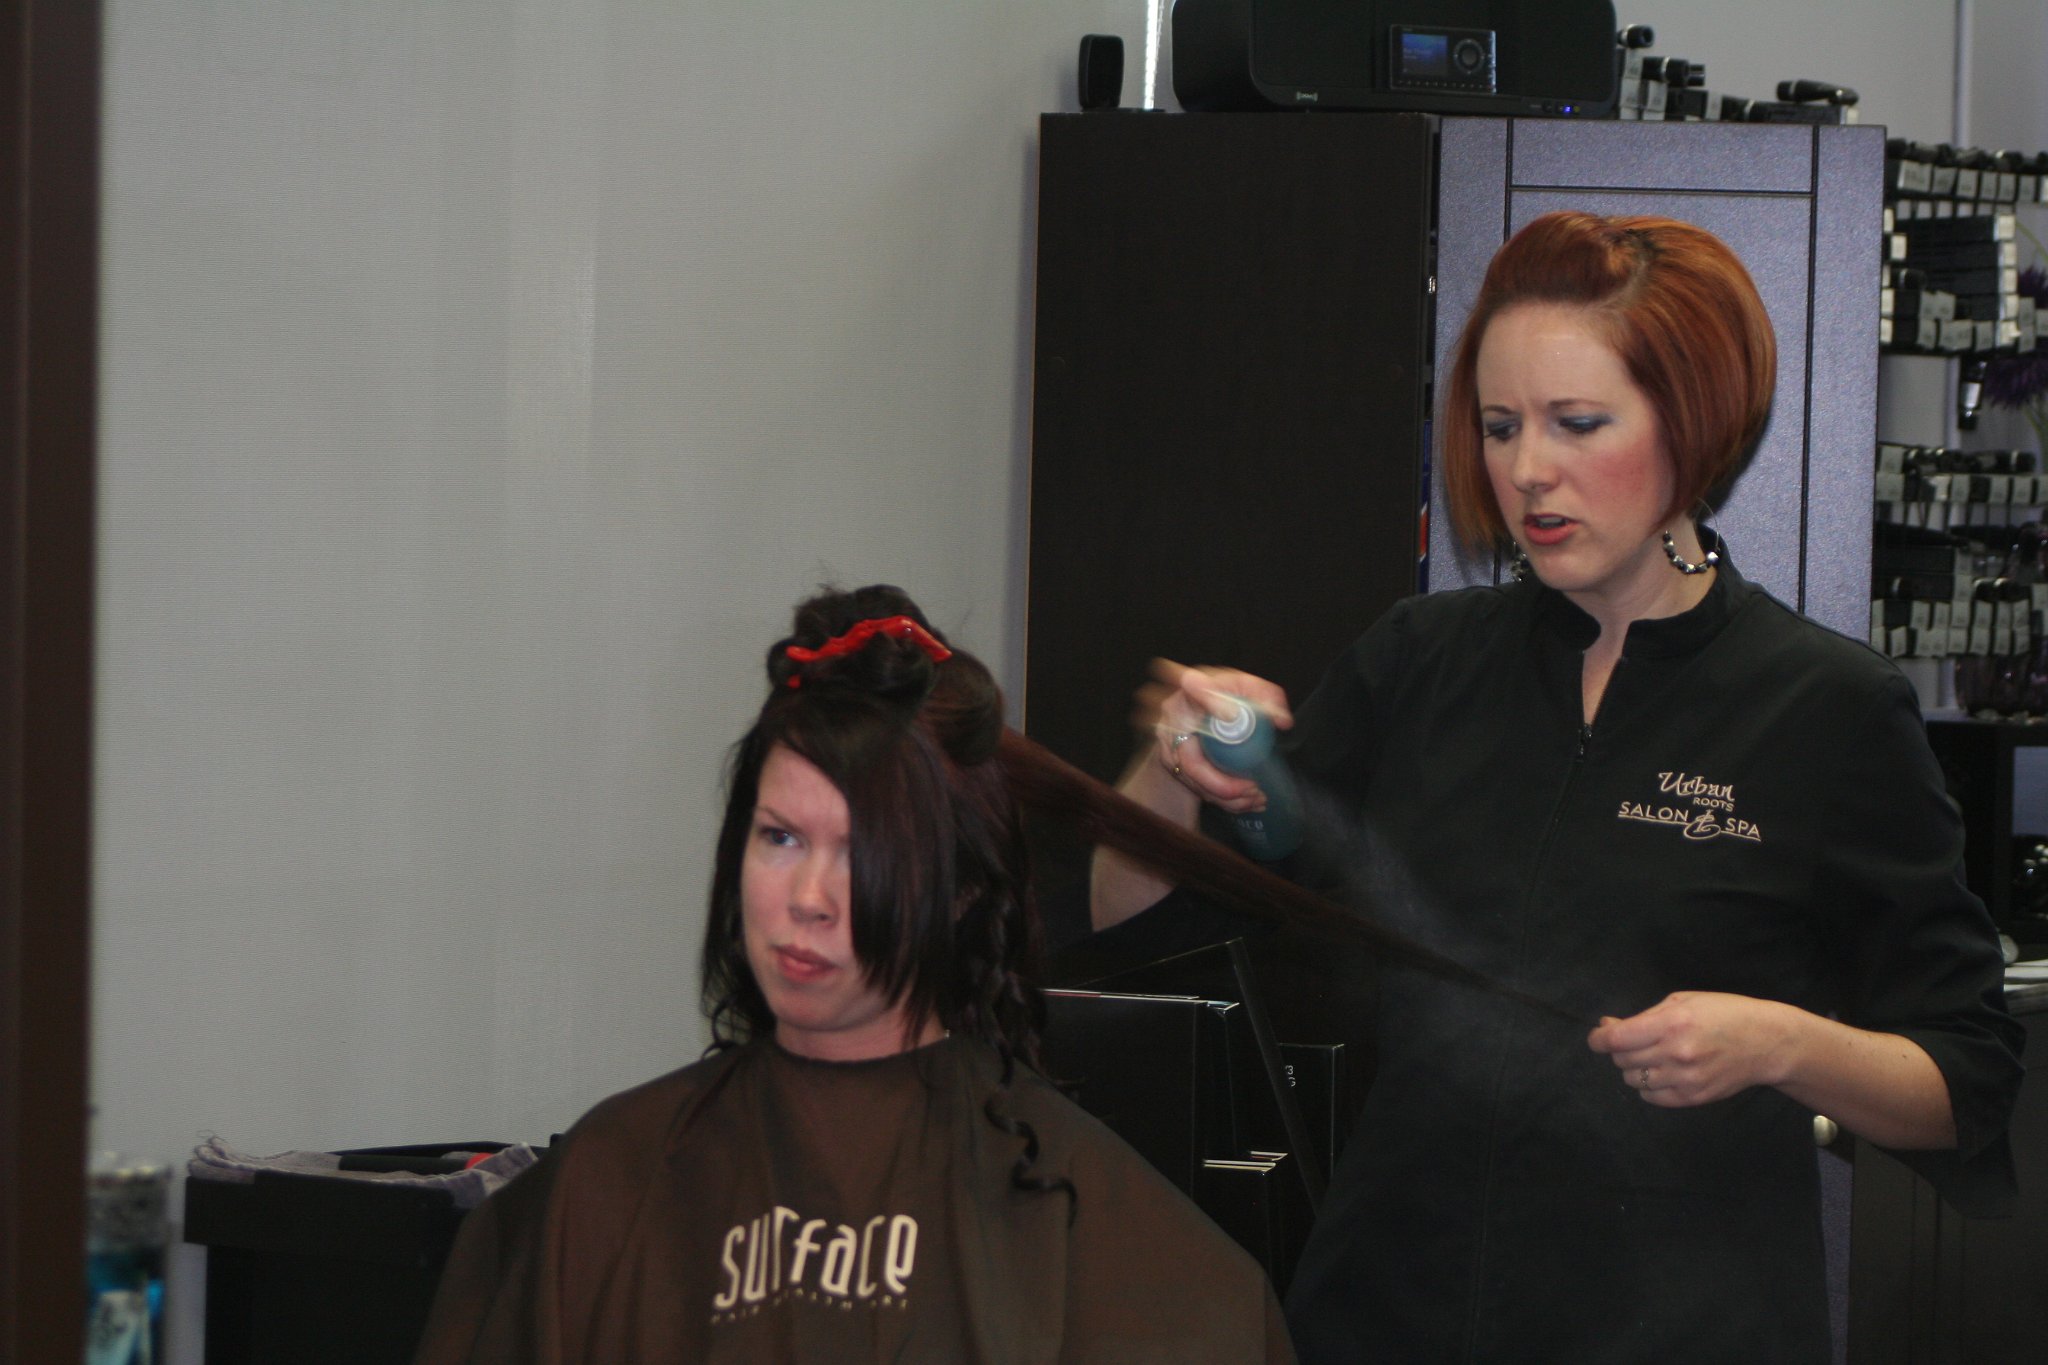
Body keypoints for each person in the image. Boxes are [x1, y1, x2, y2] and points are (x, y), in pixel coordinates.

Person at [1090, 211, 2026, 1363]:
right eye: (1499, 426)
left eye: (1577, 423)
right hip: (1387, 1316)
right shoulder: (1417, 665)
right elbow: (1134, 924)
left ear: (1691, 421)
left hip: (1683, 1332)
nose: (1526, 469)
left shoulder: (1824, 709)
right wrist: (1167, 764)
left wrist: (1778, 1043)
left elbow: (1965, 1081)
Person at [412, 585, 1299, 1364]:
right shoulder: (609, 1180)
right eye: (781, 836)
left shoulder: (1093, 1223)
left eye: (864, 847)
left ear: (962, 887)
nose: (807, 897)